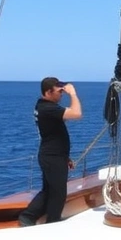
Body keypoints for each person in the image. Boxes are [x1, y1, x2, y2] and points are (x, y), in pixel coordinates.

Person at [17, 77, 82, 227]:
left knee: (50, 190)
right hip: (52, 157)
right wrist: (72, 93)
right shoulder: (47, 108)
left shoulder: (44, 106)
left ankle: (29, 217)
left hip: (54, 156)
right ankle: (49, 222)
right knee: (58, 193)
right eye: (59, 92)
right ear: (48, 92)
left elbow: (56, 129)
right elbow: (77, 113)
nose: (61, 95)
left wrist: (65, 157)